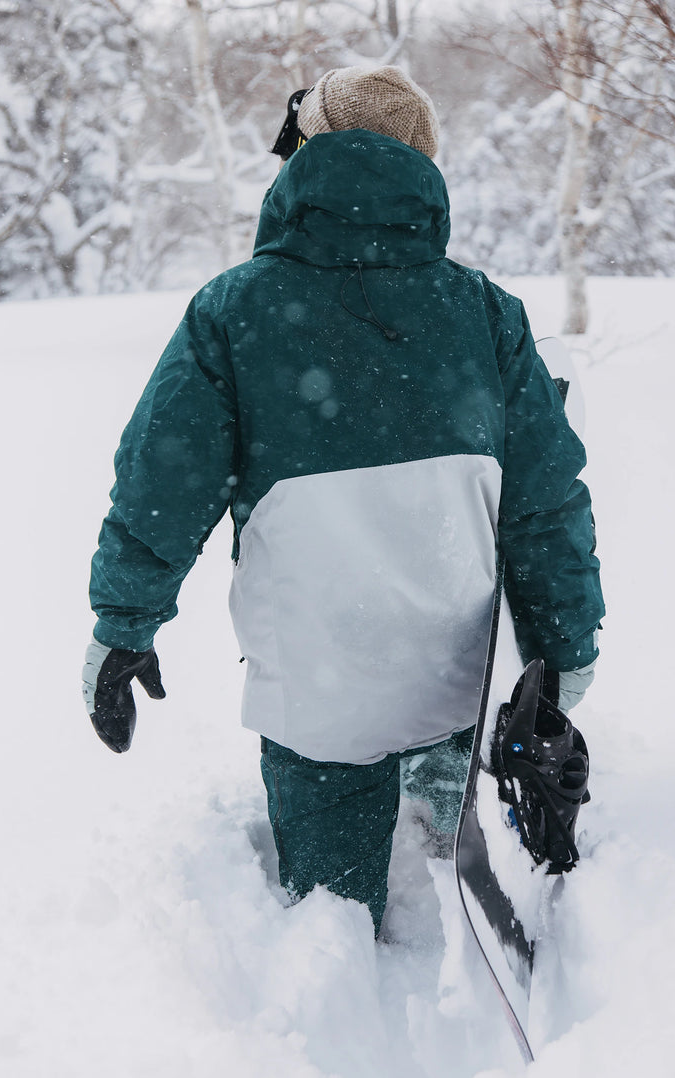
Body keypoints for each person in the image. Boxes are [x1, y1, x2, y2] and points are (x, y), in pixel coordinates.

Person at [82, 66, 605, 937]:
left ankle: (339, 998)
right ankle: (457, 927)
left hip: (318, 689)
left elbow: (162, 485)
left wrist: (123, 625)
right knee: (452, 848)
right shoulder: (485, 312)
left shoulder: (234, 311)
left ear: (306, 157)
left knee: (328, 920)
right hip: (457, 677)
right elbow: (546, 505)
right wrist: (565, 646)